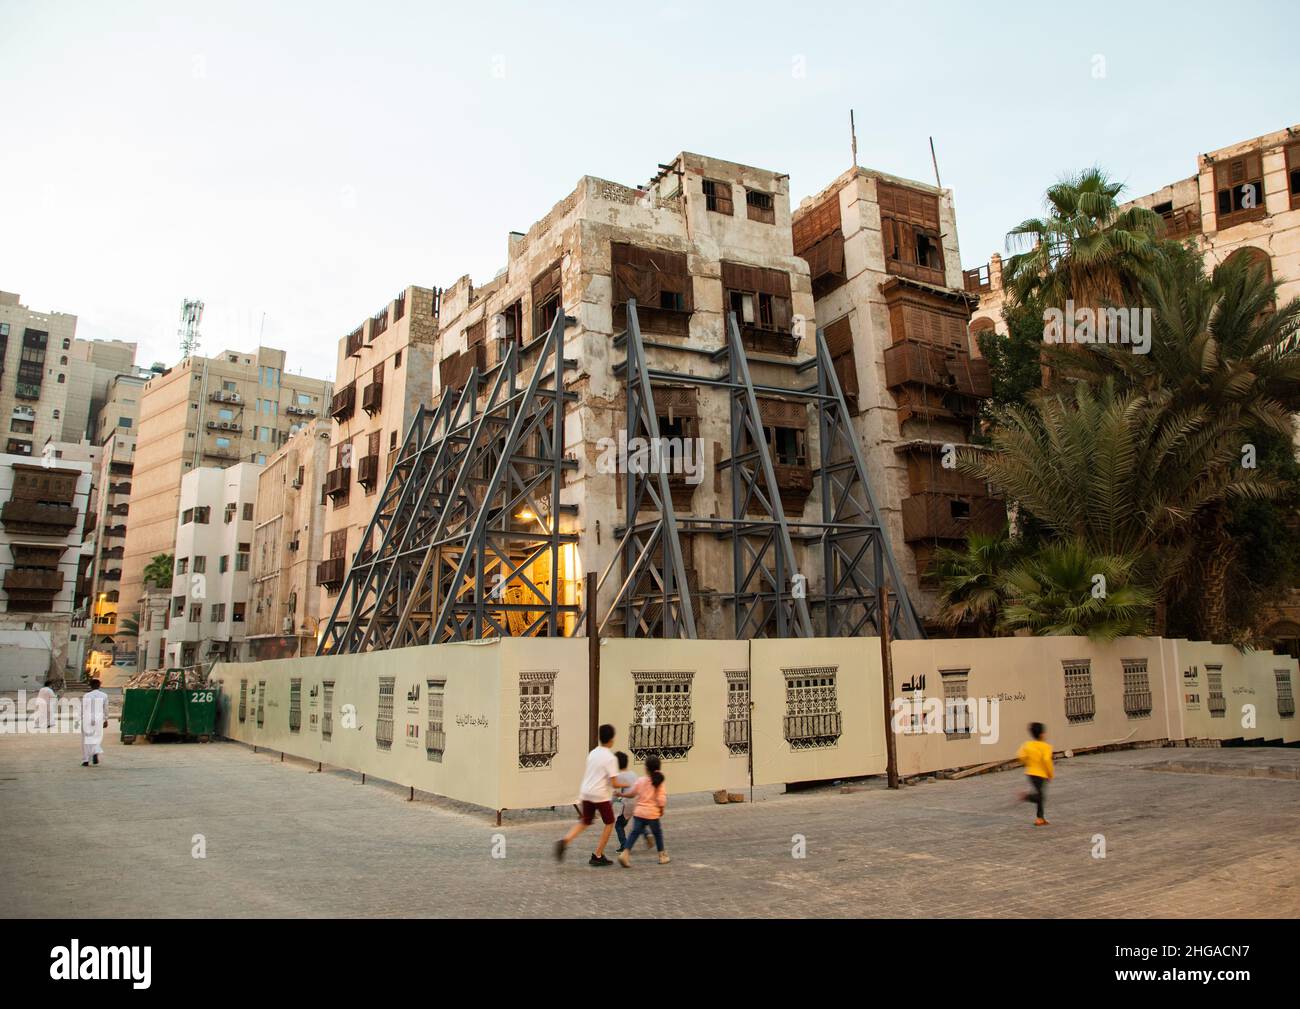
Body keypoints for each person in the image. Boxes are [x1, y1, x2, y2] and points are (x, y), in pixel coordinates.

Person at [556, 724, 620, 866]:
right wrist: (629, 784)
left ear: (599, 737)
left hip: (586, 792)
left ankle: (565, 840)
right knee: (610, 823)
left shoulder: (593, 753)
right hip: (600, 794)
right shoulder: (611, 758)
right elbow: (615, 783)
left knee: (585, 821)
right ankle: (597, 855)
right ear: (612, 740)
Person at [618, 755, 669, 867]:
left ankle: (625, 854)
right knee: (657, 834)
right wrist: (661, 810)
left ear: (646, 768)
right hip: (652, 814)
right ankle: (662, 856)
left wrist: (621, 794)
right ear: (659, 767)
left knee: (634, 833)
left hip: (639, 813)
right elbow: (661, 799)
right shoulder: (659, 782)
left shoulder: (640, 781)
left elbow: (632, 794)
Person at [1016, 722, 1054, 826]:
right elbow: (1047, 760)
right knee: (1040, 796)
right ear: (1042, 734)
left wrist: (1028, 763)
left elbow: (1021, 755)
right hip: (1041, 774)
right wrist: (1050, 774)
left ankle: (1040, 818)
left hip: (1030, 773)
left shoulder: (1027, 745)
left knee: (1040, 794)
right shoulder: (1046, 746)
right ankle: (1026, 797)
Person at [612, 751, 637, 853]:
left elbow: (616, 794)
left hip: (628, 804)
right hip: (637, 802)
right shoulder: (633, 774)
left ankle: (624, 845)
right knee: (639, 822)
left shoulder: (618, 776)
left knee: (619, 825)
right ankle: (647, 833)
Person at [81, 678, 109, 767]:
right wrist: (106, 719)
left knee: (86, 739)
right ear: (99, 685)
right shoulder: (104, 695)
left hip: (87, 719)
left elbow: (82, 708)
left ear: (90, 686)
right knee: (97, 737)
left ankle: (86, 760)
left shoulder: (86, 695)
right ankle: (95, 752)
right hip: (99, 719)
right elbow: (106, 709)